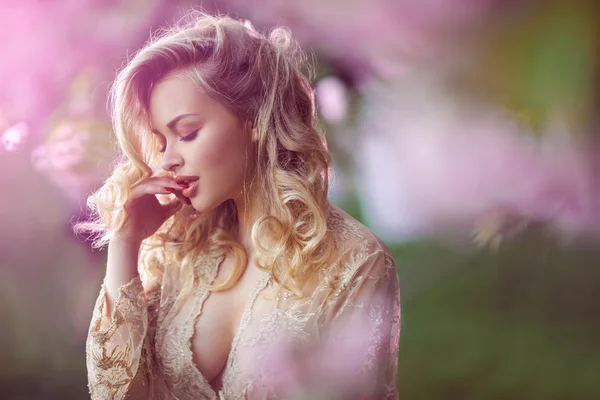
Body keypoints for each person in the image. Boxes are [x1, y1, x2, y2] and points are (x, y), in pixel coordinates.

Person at [77, 11, 401, 400]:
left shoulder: (356, 261)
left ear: (253, 118)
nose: (167, 160)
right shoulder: (177, 250)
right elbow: (113, 393)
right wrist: (125, 240)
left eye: (188, 133)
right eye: (162, 142)